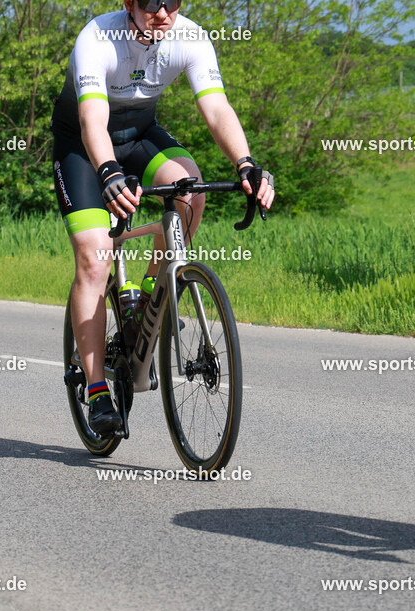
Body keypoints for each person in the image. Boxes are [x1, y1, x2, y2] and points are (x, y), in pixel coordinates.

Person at [52, 0, 274, 435]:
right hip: (82, 146)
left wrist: (245, 164)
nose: (163, 13)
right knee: (95, 260)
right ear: (128, 5)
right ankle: (97, 391)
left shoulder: (189, 36)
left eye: (173, 3)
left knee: (190, 190)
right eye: (152, 3)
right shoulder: (98, 37)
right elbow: (91, 119)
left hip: (139, 135)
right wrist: (108, 172)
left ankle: (151, 297)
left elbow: (216, 110)